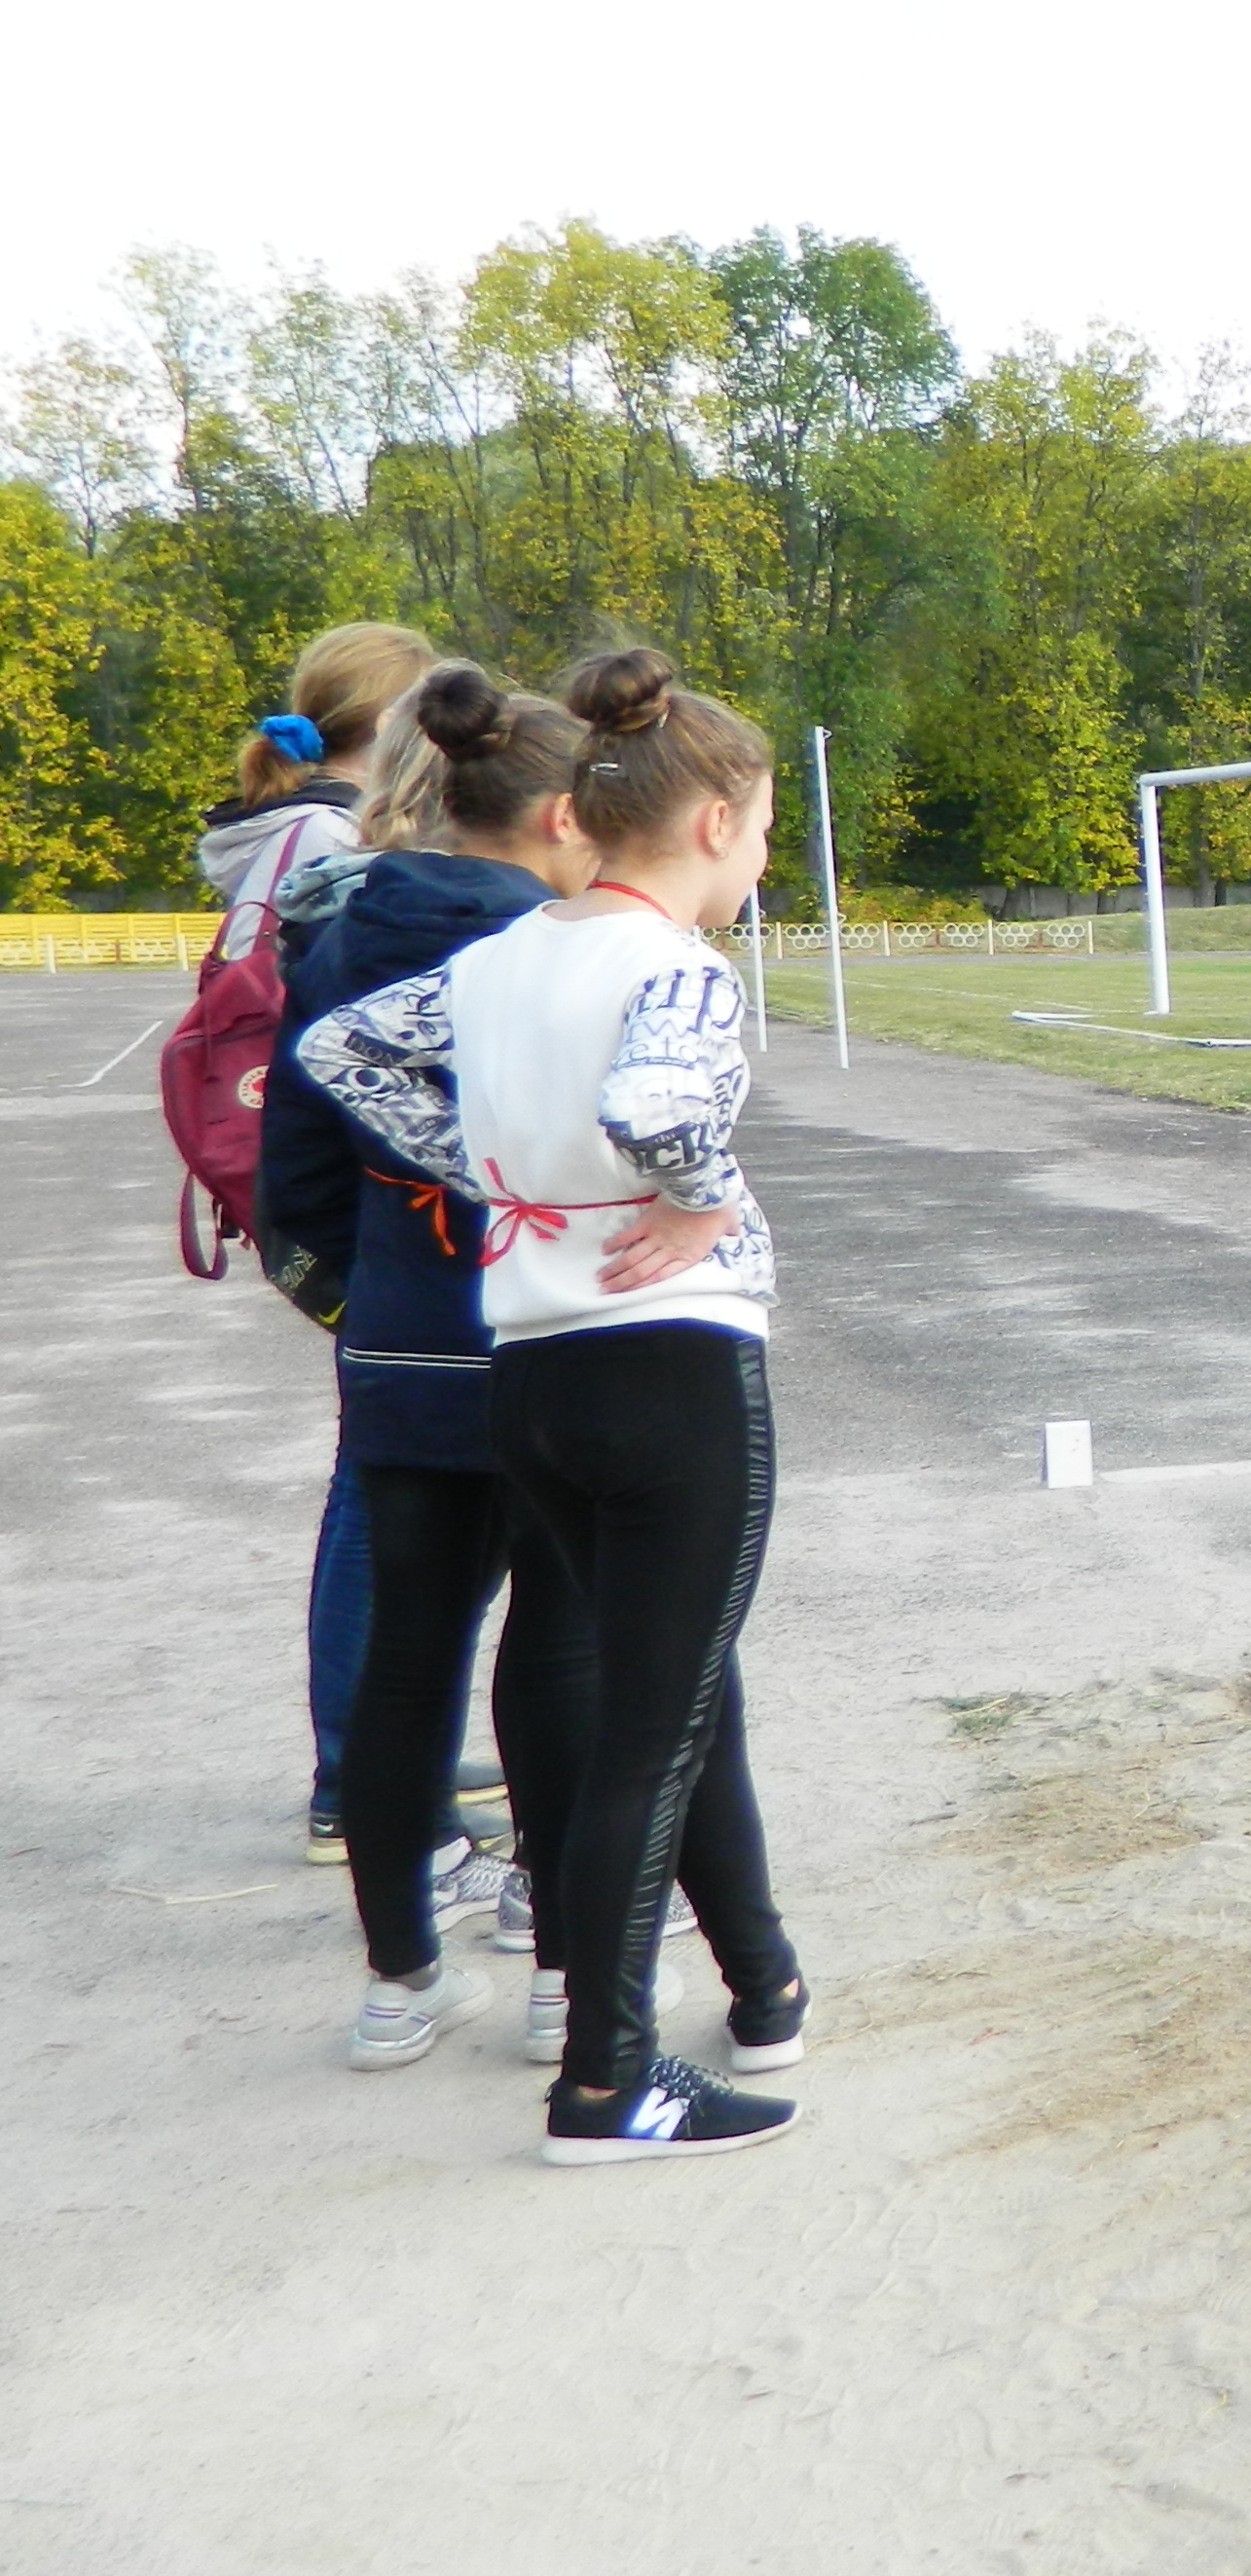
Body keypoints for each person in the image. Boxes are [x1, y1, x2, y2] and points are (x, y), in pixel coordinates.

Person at [300, 647, 807, 2161]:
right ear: (711, 820)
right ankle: (608, 2075)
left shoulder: (507, 953)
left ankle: (763, 1981)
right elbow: (657, 1109)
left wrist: (503, 1180)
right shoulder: (673, 965)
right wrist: (701, 1197)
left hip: (534, 1373)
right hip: (670, 1366)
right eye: (767, 826)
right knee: (649, 1724)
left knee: (682, 1689)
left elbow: (341, 1053)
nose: (763, 858)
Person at [262, 665, 607, 2067]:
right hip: (553, 1338)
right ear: (565, 814)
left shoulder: (340, 935)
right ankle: (559, 1962)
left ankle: (399, 1977)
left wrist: (371, 1306)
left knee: (410, 1662)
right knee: (565, 1651)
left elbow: (292, 1164)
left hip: (407, 1347)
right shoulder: (571, 947)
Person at [199, 621, 437, 1863]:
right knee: (383, 1482)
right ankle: (358, 1768)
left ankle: (380, 1747)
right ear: (401, 723)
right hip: (356, 1196)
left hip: (320, 1188)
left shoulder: (284, 827)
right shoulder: (329, 842)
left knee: (384, 1474)